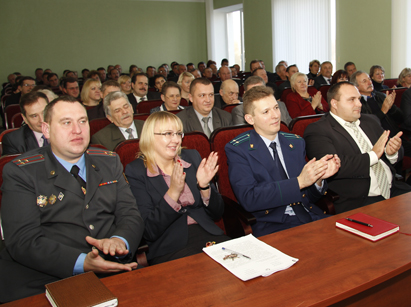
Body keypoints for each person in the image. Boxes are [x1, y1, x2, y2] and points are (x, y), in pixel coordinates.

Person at [0, 96, 144, 302]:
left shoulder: (109, 161)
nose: (77, 130)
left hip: (111, 268)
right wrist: (82, 262)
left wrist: (119, 241)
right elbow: (23, 240)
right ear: (47, 130)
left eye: (82, 121)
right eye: (66, 122)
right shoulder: (22, 172)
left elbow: (130, 214)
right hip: (44, 278)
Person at [225, 86, 340, 237]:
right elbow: (249, 199)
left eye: (276, 108)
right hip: (271, 224)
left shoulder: (296, 143)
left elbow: (309, 197)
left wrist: (318, 178)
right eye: (266, 112)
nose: (275, 116)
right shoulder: (239, 149)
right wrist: (299, 182)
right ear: (250, 119)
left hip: (308, 216)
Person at [124, 112, 229, 264]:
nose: (176, 140)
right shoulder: (136, 171)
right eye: (168, 134)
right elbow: (149, 230)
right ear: (150, 137)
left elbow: (217, 213)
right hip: (170, 245)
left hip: (208, 234)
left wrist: (204, 186)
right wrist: (173, 192)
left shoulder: (191, 157)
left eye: (179, 134)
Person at [304, 82, 411, 213]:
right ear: (334, 103)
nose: (359, 104)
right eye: (352, 100)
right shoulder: (318, 130)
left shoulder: (370, 120)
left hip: (393, 187)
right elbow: (332, 164)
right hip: (360, 199)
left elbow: (393, 148)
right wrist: (373, 155)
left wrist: (391, 152)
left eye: (359, 99)